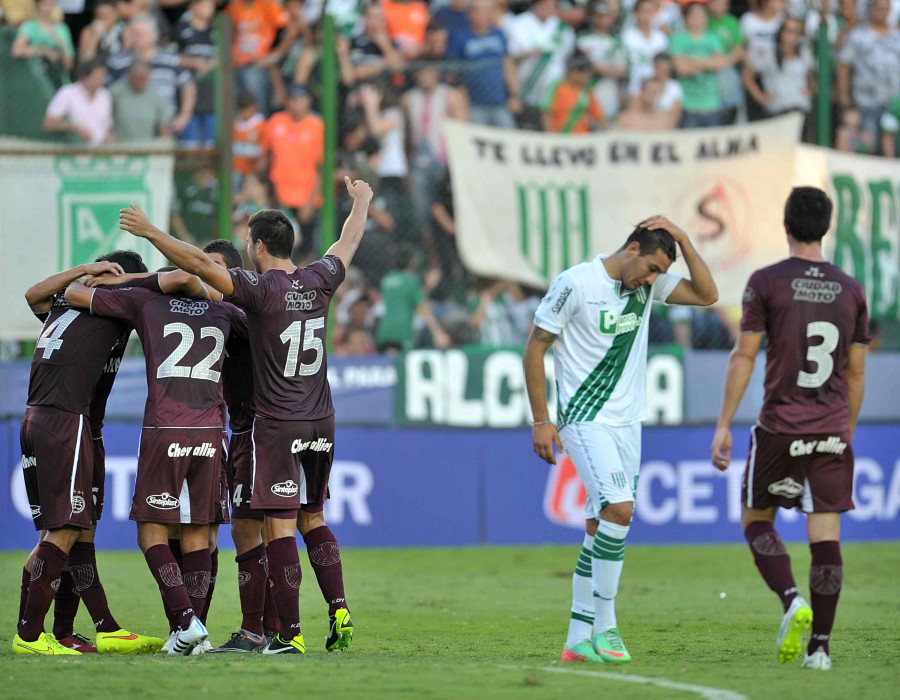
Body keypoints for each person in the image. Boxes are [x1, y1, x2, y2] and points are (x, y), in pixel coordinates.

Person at [117, 176, 375, 655]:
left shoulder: (258, 290)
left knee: (276, 526)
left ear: (257, 247)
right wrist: (362, 200)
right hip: (323, 419)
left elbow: (195, 265)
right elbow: (350, 238)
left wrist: (151, 232)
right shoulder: (321, 278)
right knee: (312, 515)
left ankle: (288, 635)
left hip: (276, 422)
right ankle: (337, 604)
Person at [523, 218, 718, 664]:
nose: (653, 279)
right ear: (631, 249)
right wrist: (541, 420)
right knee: (620, 509)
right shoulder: (575, 283)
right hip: (584, 417)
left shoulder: (645, 286)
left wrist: (684, 240)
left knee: (599, 528)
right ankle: (607, 627)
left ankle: (576, 638)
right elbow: (535, 348)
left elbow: (707, 295)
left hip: (628, 422)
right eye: (651, 267)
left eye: (658, 272)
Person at [711, 187, 870, 671]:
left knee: (757, 520)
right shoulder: (851, 289)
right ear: (826, 228)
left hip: (780, 427)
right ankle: (819, 649)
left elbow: (745, 354)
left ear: (785, 226)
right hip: (830, 430)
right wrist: (845, 430)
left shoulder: (766, 282)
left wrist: (722, 426)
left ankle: (791, 600)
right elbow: (857, 372)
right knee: (826, 538)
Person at [64, 265, 246, 656]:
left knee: (151, 532)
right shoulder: (225, 311)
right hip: (212, 430)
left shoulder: (147, 302)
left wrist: (118, 279)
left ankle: (186, 621)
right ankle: (194, 635)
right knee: (198, 533)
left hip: (166, 427)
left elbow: (75, 295)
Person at [13, 253, 164, 656]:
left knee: (73, 529)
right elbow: (165, 279)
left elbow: (34, 295)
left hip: (46, 421)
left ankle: (75, 631)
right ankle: (29, 636)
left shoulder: (69, 304)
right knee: (63, 531)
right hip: (65, 422)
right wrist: (91, 273)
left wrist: (88, 274)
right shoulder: (92, 301)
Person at [43, 58, 113, 144]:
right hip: (75, 150)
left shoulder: (105, 95)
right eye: (97, 76)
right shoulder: (67, 93)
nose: (101, 79)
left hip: (100, 150)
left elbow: (108, 127)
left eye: (102, 75)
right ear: (85, 76)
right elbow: (49, 123)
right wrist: (74, 128)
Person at [540, 53, 605, 133]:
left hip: (580, 137)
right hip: (558, 135)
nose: (586, 76)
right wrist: (551, 134)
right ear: (571, 71)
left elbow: (598, 115)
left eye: (588, 72)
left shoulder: (586, 90)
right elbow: (546, 111)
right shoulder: (557, 86)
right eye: (582, 71)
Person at [109, 61, 171, 141]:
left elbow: (164, 125)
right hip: (120, 146)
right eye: (136, 78)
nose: (139, 82)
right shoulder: (114, 92)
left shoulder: (157, 95)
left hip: (148, 146)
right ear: (128, 75)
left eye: (143, 78)